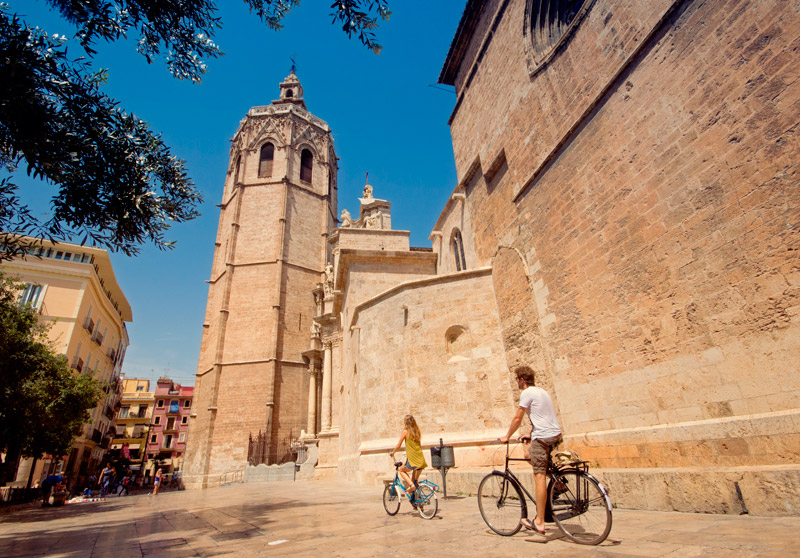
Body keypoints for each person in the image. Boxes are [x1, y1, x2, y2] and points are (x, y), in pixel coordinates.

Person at [500, 365, 562, 536]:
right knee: (529, 454)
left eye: (517, 380)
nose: (517, 384)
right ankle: (558, 481)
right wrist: (530, 434)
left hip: (542, 437)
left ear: (521, 379)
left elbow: (517, 417)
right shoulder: (542, 391)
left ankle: (539, 522)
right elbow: (543, 416)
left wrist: (507, 436)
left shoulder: (526, 393)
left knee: (539, 476)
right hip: (554, 434)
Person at [389, 415, 427, 504]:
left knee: (401, 470)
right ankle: (419, 505)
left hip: (413, 459)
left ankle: (411, 485)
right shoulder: (417, 432)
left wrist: (393, 453)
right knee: (416, 483)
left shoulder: (405, 432)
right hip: (420, 459)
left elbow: (398, 445)